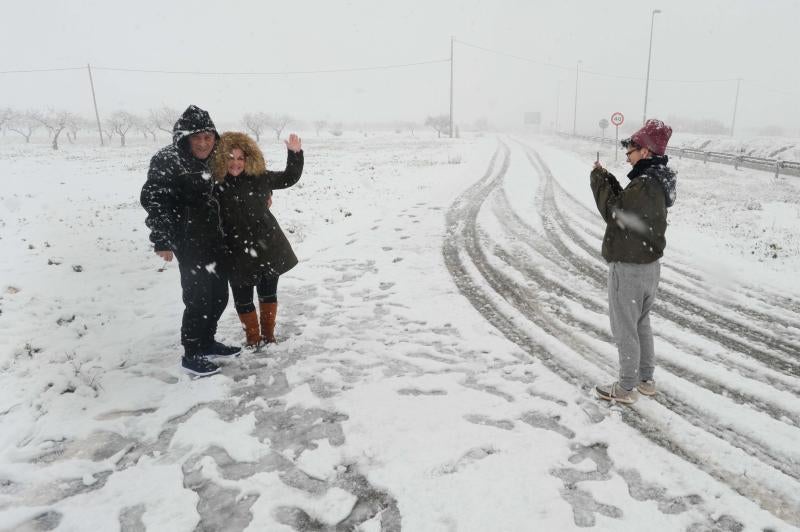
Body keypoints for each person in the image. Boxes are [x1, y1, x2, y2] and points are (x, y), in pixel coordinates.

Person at [140, 105, 241, 377]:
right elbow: (155, 199)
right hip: (189, 241)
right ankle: (192, 352)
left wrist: (261, 194)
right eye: (197, 137)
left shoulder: (215, 159)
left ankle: (208, 341)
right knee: (198, 298)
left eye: (208, 137)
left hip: (216, 239)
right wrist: (161, 238)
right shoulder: (168, 159)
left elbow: (234, 181)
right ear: (184, 137)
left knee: (219, 296)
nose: (203, 143)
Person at [590, 119, 677, 404]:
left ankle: (626, 388)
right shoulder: (655, 181)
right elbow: (627, 207)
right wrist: (610, 180)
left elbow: (616, 216)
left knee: (625, 327)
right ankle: (645, 380)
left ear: (646, 152)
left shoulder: (643, 185)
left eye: (631, 148)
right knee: (640, 323)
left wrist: (598, 182)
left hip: (628, 267)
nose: (627, 154)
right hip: (649, 267)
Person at [210, 131, 304, 349]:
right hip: (234, 250)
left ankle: (269, 336)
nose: (235, 163)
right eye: (230, 158)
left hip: (267, 246)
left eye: (240, 158)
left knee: (268, 293)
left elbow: (290, 177)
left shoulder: (260, 177)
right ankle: (253, 339)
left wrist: (295, 154)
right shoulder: (215, 185)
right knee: (243, 298)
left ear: (248, 159)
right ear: (222, 159)